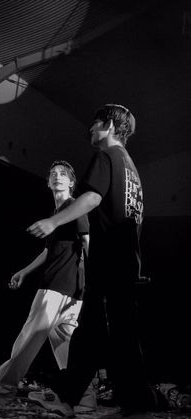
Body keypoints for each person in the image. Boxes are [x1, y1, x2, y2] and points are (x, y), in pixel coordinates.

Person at [26, 104, 168, 416]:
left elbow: (91, 198)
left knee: (98, 333)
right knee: (111, 334)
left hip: (110, 263)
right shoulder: (130, 167)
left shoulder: (107, 157)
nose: (90, 130)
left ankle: (72, 397)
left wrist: (54, 221)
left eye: (94, 125)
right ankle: (131, 400)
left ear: (107, 125)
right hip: (126, 263)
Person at [0, 160, 91, 410]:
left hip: (59, 286)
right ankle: (85, 398)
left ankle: (2, 388)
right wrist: (24, 271)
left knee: (28, 338)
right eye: (53, 174)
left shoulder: (73, 208)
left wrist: (92, 280)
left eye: (63, 174)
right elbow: (50, 252)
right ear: (48, 182)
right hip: (70, 291)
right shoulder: (56, 216)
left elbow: (87, 242)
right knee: (65, 347)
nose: (58, 176)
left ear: (71, 182)